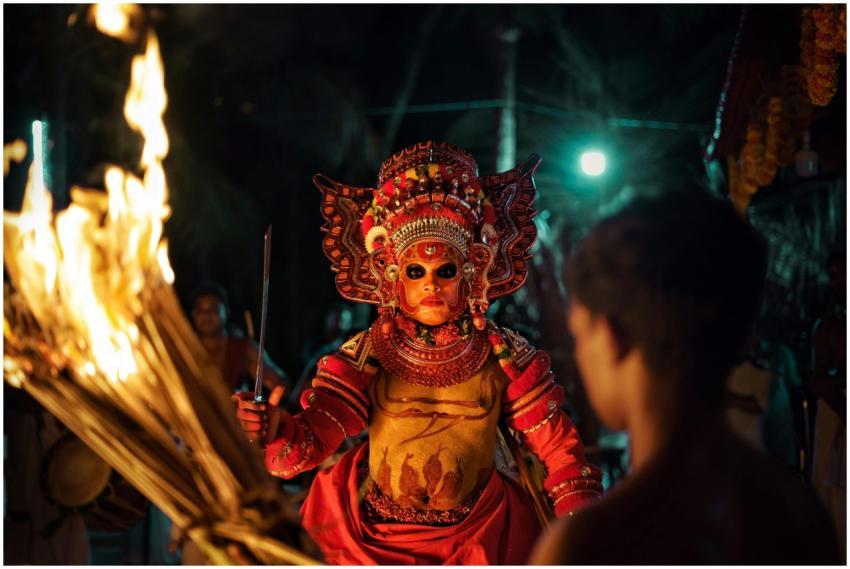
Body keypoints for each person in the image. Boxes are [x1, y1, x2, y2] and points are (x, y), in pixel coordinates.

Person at [234, 141, 602, 564]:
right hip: (369, 544)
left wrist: (579, 530)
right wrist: (274, 428)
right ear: (393, 278)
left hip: (480, 542)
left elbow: (561, 454)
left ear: (472, 269)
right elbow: (306, 447)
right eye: (416, 272)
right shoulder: (368, 355)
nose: (431, 284)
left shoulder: (505, 357)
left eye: (445, 271)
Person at [531, 191, 840, 564]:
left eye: (579, 335)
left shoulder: (594, 543)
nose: (580, 355)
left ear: (613, 337)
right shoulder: (798, 510)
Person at [190, 281, 289, 395]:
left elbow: (280, 384)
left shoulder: (244, 347)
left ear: (226, 312)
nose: (206, 315)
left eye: (213, 309)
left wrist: (266, 379)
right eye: (201, 310)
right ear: (193, 313)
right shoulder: (184, 346)